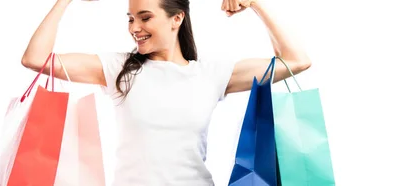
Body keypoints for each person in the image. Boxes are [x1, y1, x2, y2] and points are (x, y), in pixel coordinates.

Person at [21, 0, 311, 185]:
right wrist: (64, 1)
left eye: (145, 17)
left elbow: (296, 61)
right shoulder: (118, 69)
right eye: (130, 18)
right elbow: (36, 58)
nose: (134, 27)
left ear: (177, 19)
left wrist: (256, 4)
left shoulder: (210, 75)